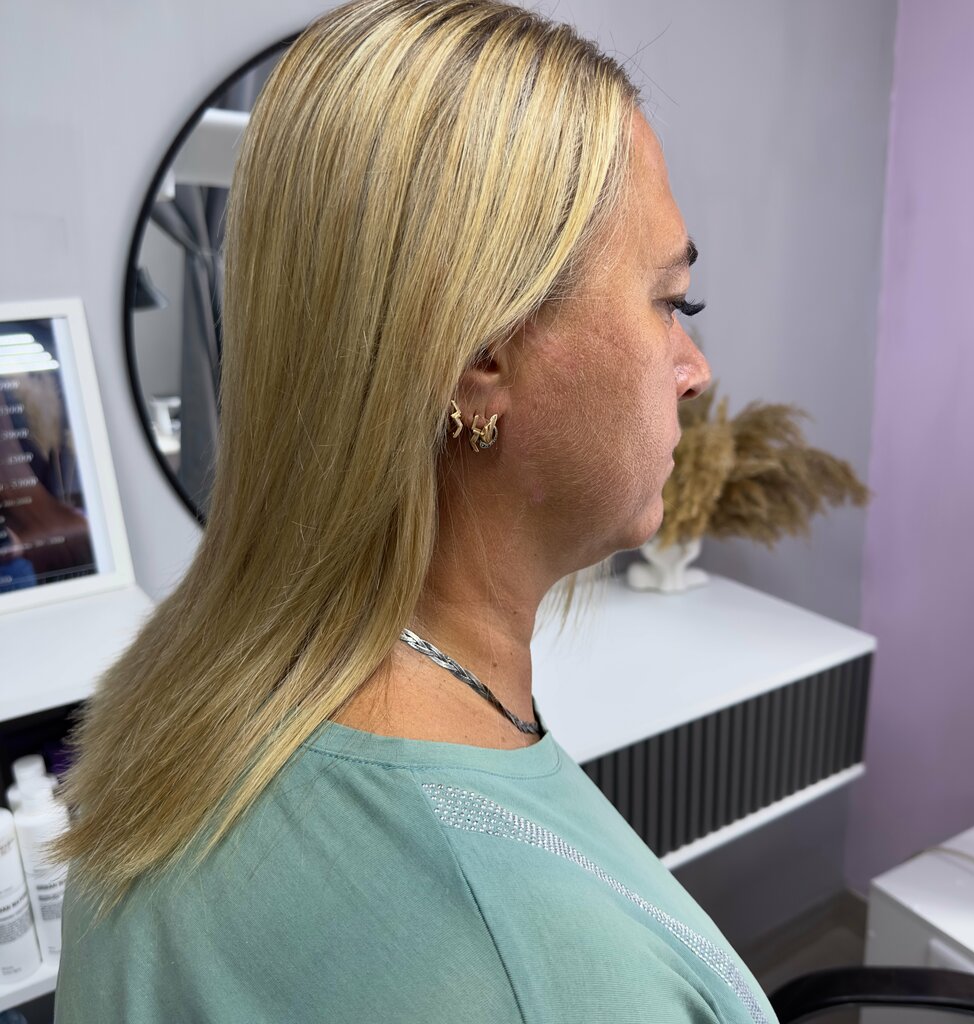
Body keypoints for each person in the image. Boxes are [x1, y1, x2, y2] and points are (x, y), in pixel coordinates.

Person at [52, 1, 777, 1020]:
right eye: (670, 302)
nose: (693, 368)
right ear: (482, 352)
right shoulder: (553, 973)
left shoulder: (188, 691)